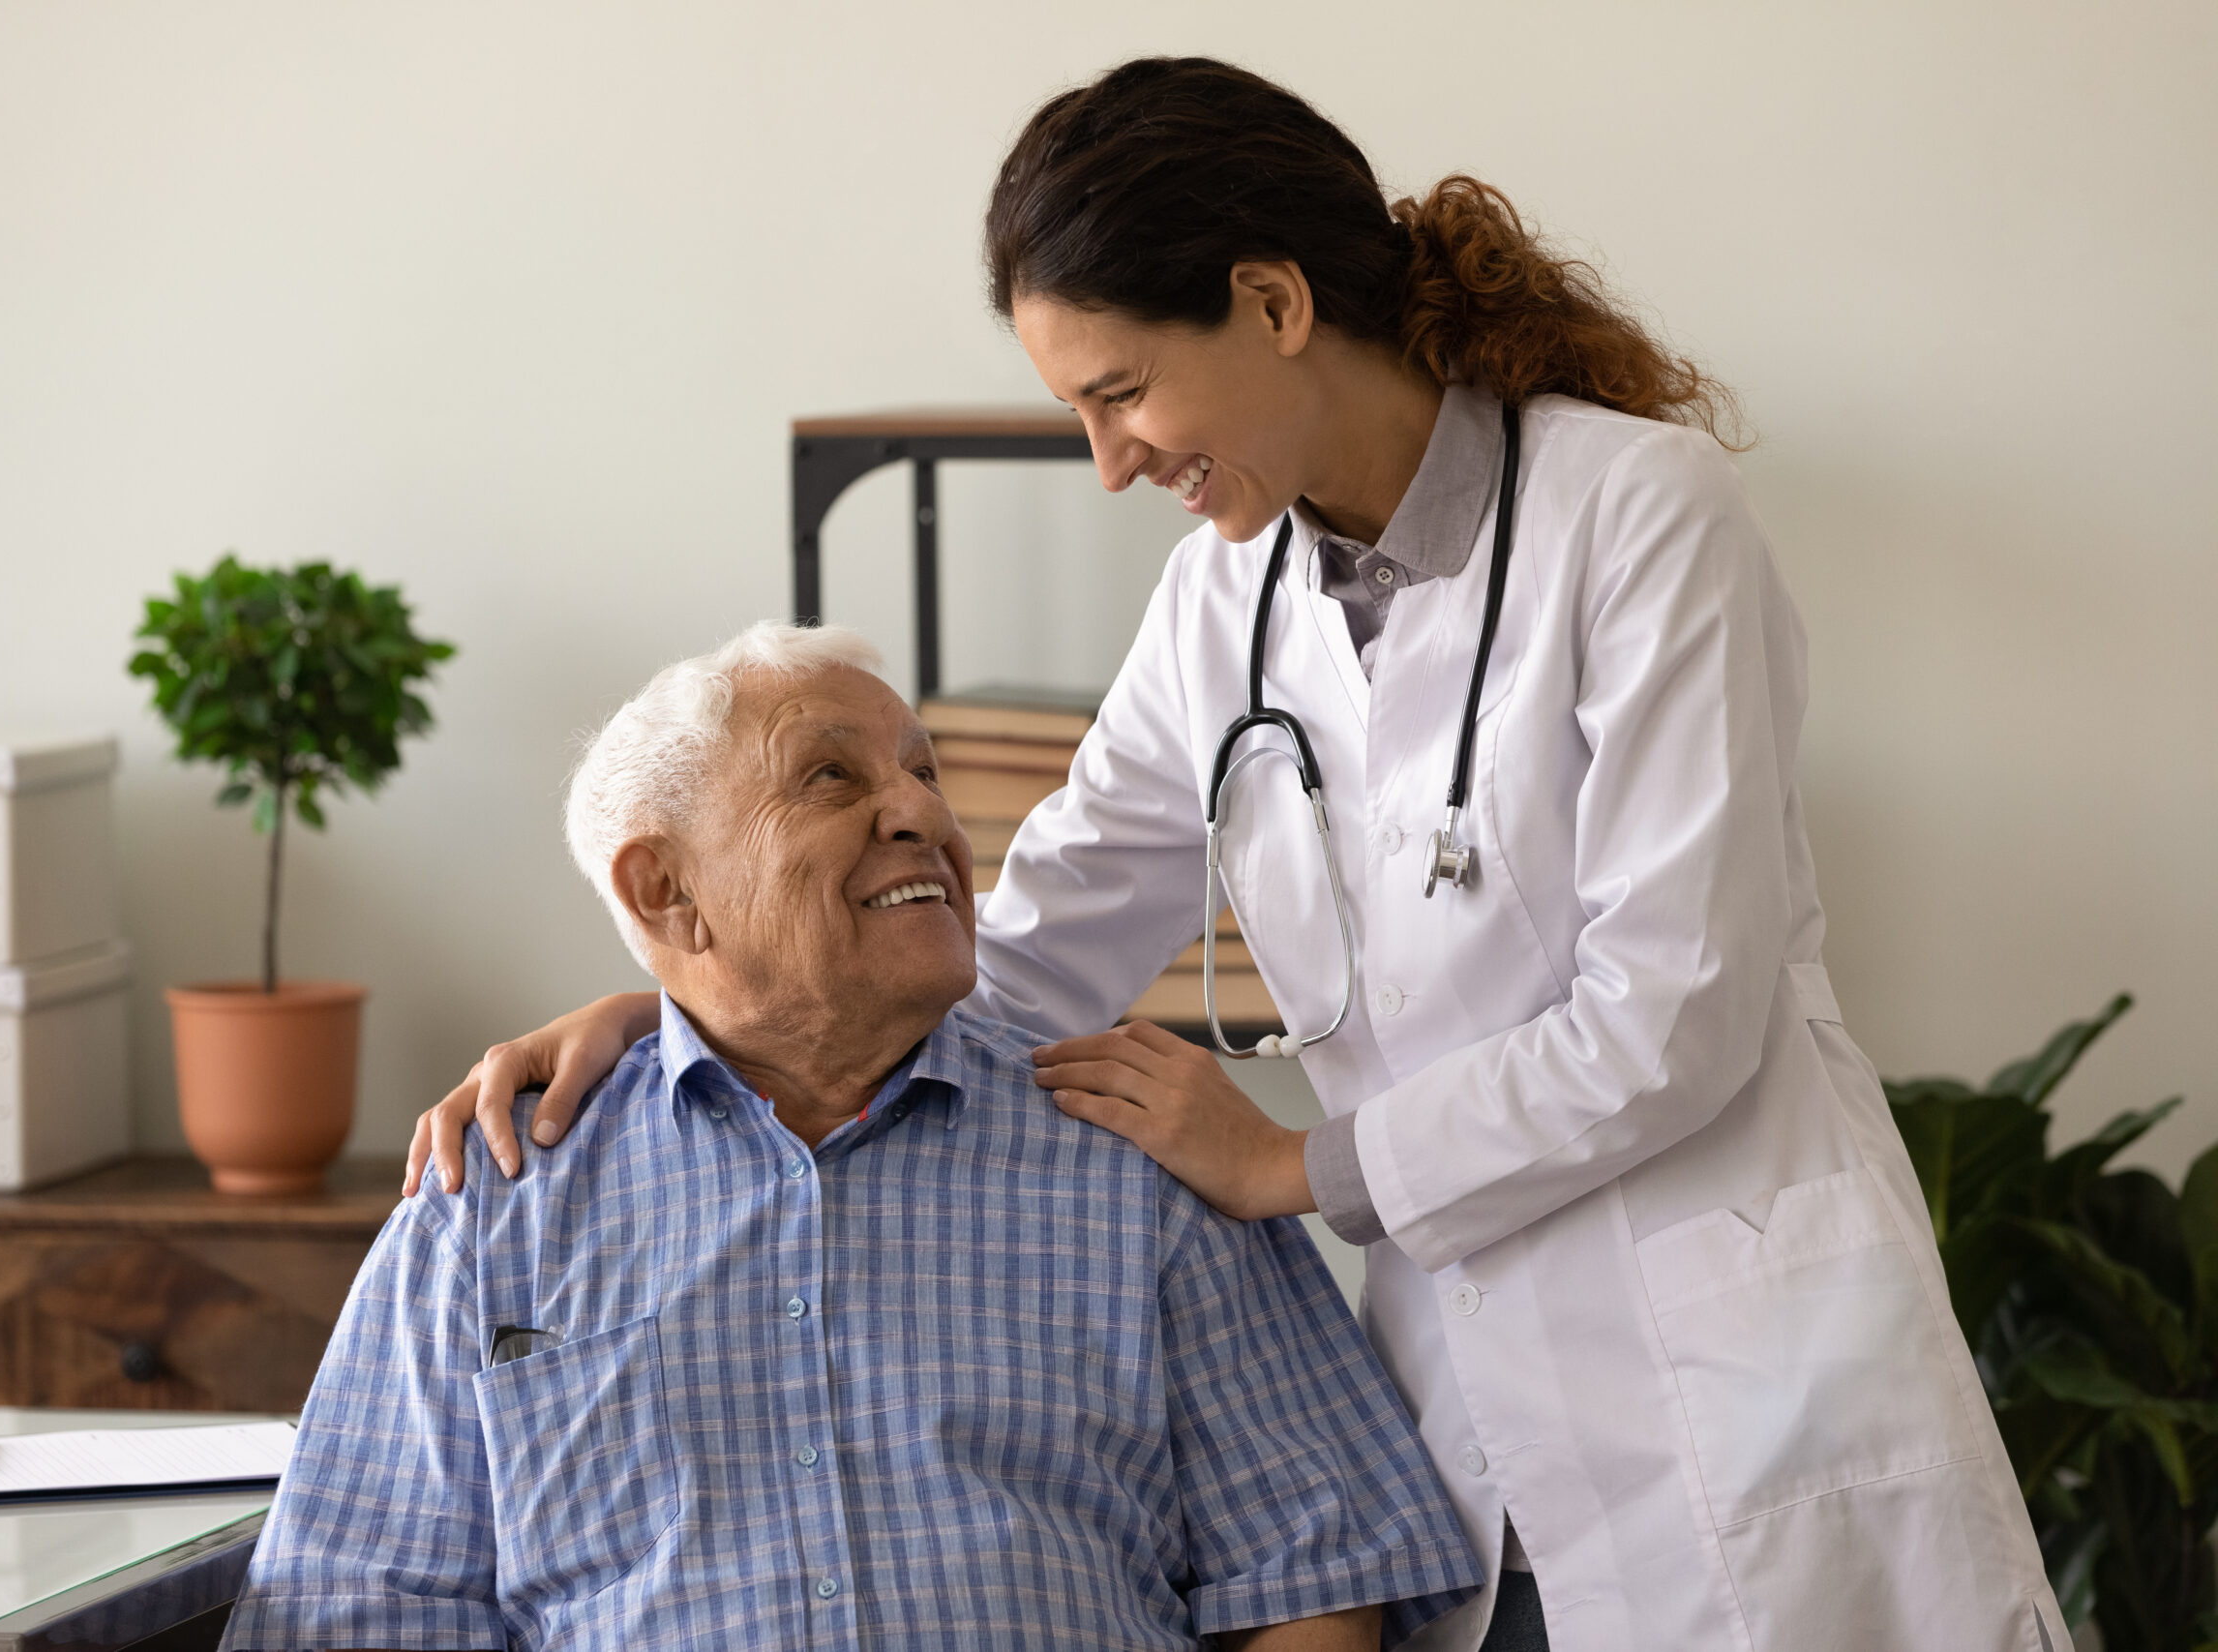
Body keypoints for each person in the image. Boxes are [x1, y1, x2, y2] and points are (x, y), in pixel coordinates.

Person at [406, 58, 2066, 1652]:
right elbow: (1026, 950)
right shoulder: (1228, 601)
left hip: (1744, 1385)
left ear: (1274, 305)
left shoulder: (1638, 515)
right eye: (1080, 410)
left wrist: (1293, 1168)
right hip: (1475, 1409)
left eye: (1122, 392)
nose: (1113, 459)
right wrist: (677, 1019)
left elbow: (1674, 1017)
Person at [226, 624, 1479, 1650]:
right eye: (836, 778)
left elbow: (1319, 1569)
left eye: (926, 774)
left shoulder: (1134, 1147)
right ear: (665, 892)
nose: (921, 816)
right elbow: (352, 1613)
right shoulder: (491, 1200)